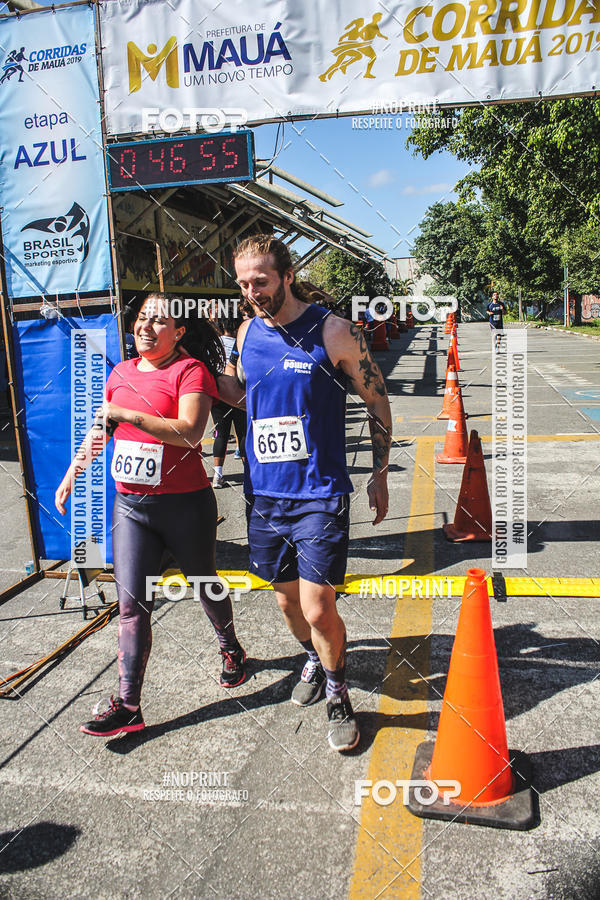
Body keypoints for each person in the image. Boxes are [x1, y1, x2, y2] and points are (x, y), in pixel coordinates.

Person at [217, 235, 391, 752]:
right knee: (288, 604)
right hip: (265, 496)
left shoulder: (334, 332)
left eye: (262, 282)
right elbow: (244, 396)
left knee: (318, 608)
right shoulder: (246, 331)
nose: (252, 292)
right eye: (244, 283)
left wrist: (380, 472)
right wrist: (198, 373)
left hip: (319, 494)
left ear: (287, 276)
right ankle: (314, 657)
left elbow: (378, 401)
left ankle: (339, 693)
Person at [55, 294, 247, 737]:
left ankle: (230, 646)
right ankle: (128, 705)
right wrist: (73, 473)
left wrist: (128, 414)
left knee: (203, 582)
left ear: (179, 333)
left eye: (158, 321)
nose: (145, 326)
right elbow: (103, 427)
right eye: (142, 318)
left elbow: (190, 432)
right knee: (131, 604)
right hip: (131, 509)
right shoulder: (121, 372)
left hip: (185, 506)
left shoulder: (190, 371)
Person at [211, 318, 247, 487]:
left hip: (219, 392)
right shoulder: (242, 341)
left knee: (221, 433)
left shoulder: (214, 344)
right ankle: (249, 473)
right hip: (239, 391)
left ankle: (218, 474)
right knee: (242, 433)